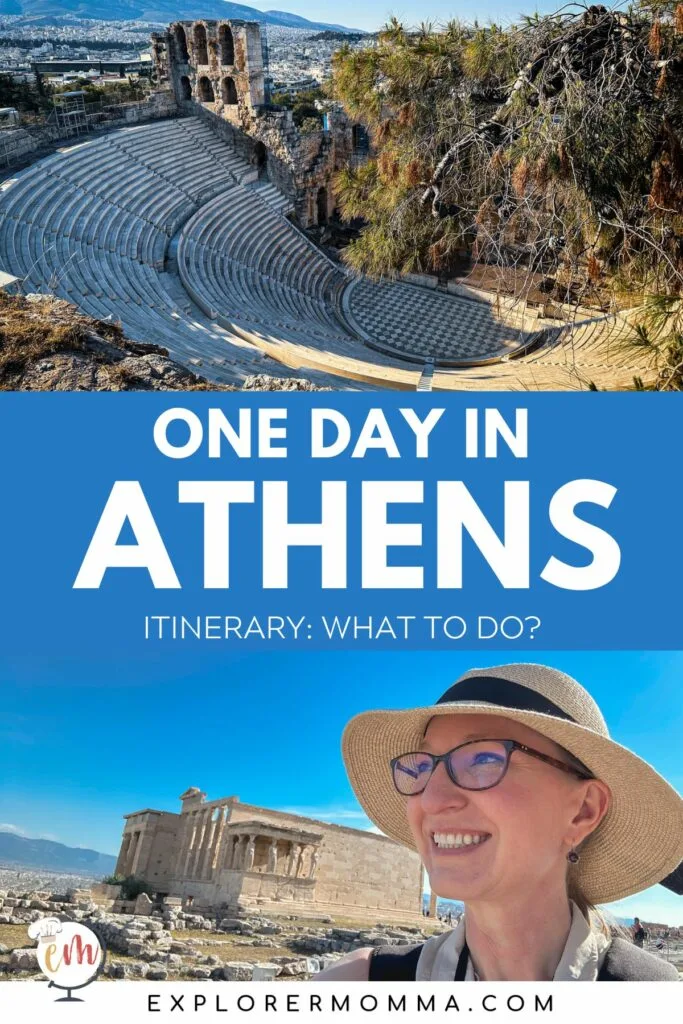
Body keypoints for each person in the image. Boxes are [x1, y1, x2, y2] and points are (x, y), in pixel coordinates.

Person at [319, 663, 683, 981]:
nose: (430, 798)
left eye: (482, 759)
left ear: (583, 810)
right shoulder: (359, 983)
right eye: (421, 766)